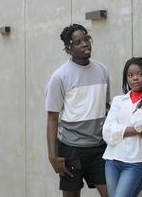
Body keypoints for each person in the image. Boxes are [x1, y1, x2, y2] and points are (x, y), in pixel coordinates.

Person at [45, 24, 110, 197]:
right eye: (78, 42)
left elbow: (106, 107)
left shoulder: (102, 70)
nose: (85, 44)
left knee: (110, 193)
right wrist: (52, 156)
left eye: (86, 39)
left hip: (99, 147)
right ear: (68, 48)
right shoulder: (59, 76)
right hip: (71, 149)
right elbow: (52, 118)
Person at [102, 57, 142, 197]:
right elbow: (107, 131)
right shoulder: (118, 100)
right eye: (130, 75)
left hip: (136, 162)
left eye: (140, 74)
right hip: (112, 159)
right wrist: (137, 130)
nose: (135, 78)